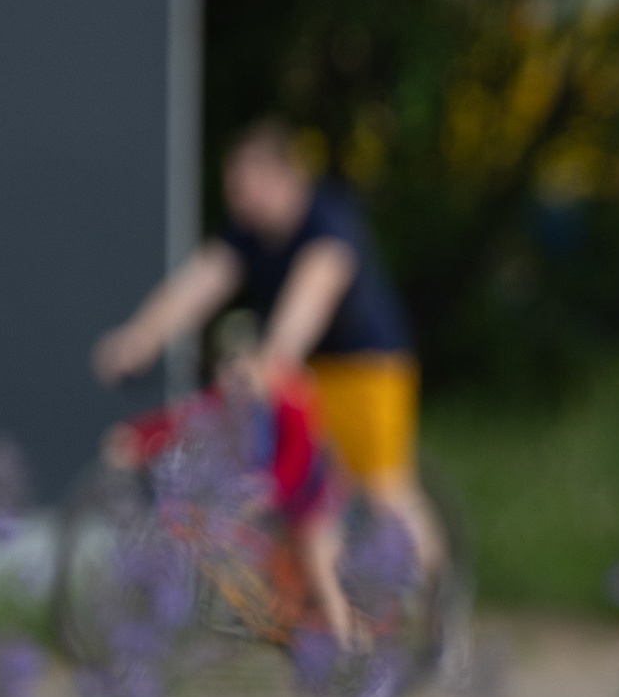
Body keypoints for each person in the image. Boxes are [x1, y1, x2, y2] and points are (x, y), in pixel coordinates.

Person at [92, 118, 445, 578]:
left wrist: (274, 358)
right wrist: (140, 338)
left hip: (365, 366)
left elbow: (313, 291)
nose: (239, 203)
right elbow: (200, 283)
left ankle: (440, 611)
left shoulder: (328, 221)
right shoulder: (248, 234)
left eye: (246, 189)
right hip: (300, 373)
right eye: (234, 191)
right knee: (300, 492)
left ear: (284, 177)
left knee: (385, 490)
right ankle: (323, 613)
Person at [104, 326, 355, 648]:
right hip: (262, 506)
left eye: (245, 368)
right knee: (231, 549)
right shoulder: (225, 402)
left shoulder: (289, 404)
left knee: (319, 564)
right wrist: (137, 439)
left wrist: (269, 489)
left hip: (310, 501)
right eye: (228, 370)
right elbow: (183, 421)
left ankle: (348, 644)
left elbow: (298, 458)